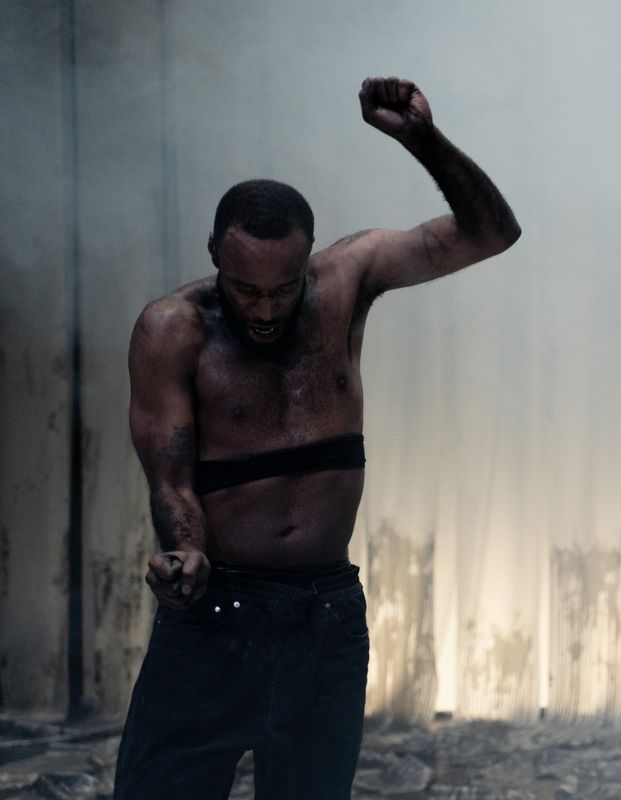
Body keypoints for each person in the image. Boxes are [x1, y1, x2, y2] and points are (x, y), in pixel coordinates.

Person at [114, 76, 520, 799]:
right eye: (246, 290)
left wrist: (422, 140)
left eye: (284, 288)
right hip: (216, 614)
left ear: (308, 259)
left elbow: (492, 234)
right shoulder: (173, 329)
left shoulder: (347, 279)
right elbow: (171, 478)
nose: (266, 311)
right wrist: (186, 552)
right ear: (214, 253)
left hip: (324, 614)